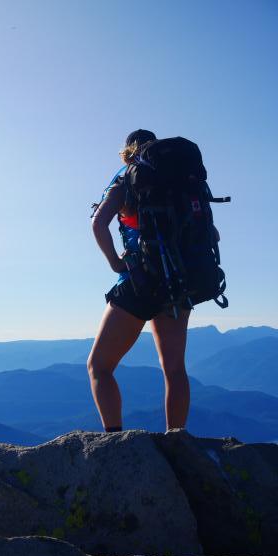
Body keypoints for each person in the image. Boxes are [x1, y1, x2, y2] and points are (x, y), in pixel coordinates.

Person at [87, 129, 192, 434]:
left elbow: (98, 224)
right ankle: (178, 442)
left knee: (99, 367)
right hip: (178, 280)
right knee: (174, 369)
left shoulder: (127, 177)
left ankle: (115, 441)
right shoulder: (179, 182)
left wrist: (115, 262)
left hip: (138, 280)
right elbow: (211, 234)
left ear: (127, 151)